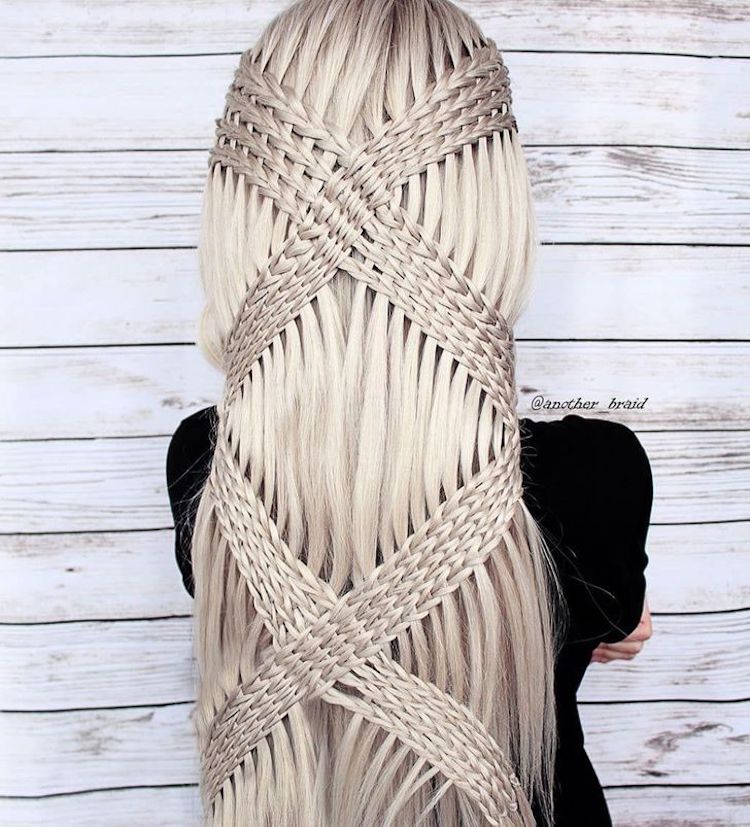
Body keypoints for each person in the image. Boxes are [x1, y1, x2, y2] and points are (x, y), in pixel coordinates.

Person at [166, 1, 654, 824]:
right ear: (491, 204)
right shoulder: (595, 479)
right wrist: (607, 609)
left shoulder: (206, 469)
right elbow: (613, 617)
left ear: (245, 211)